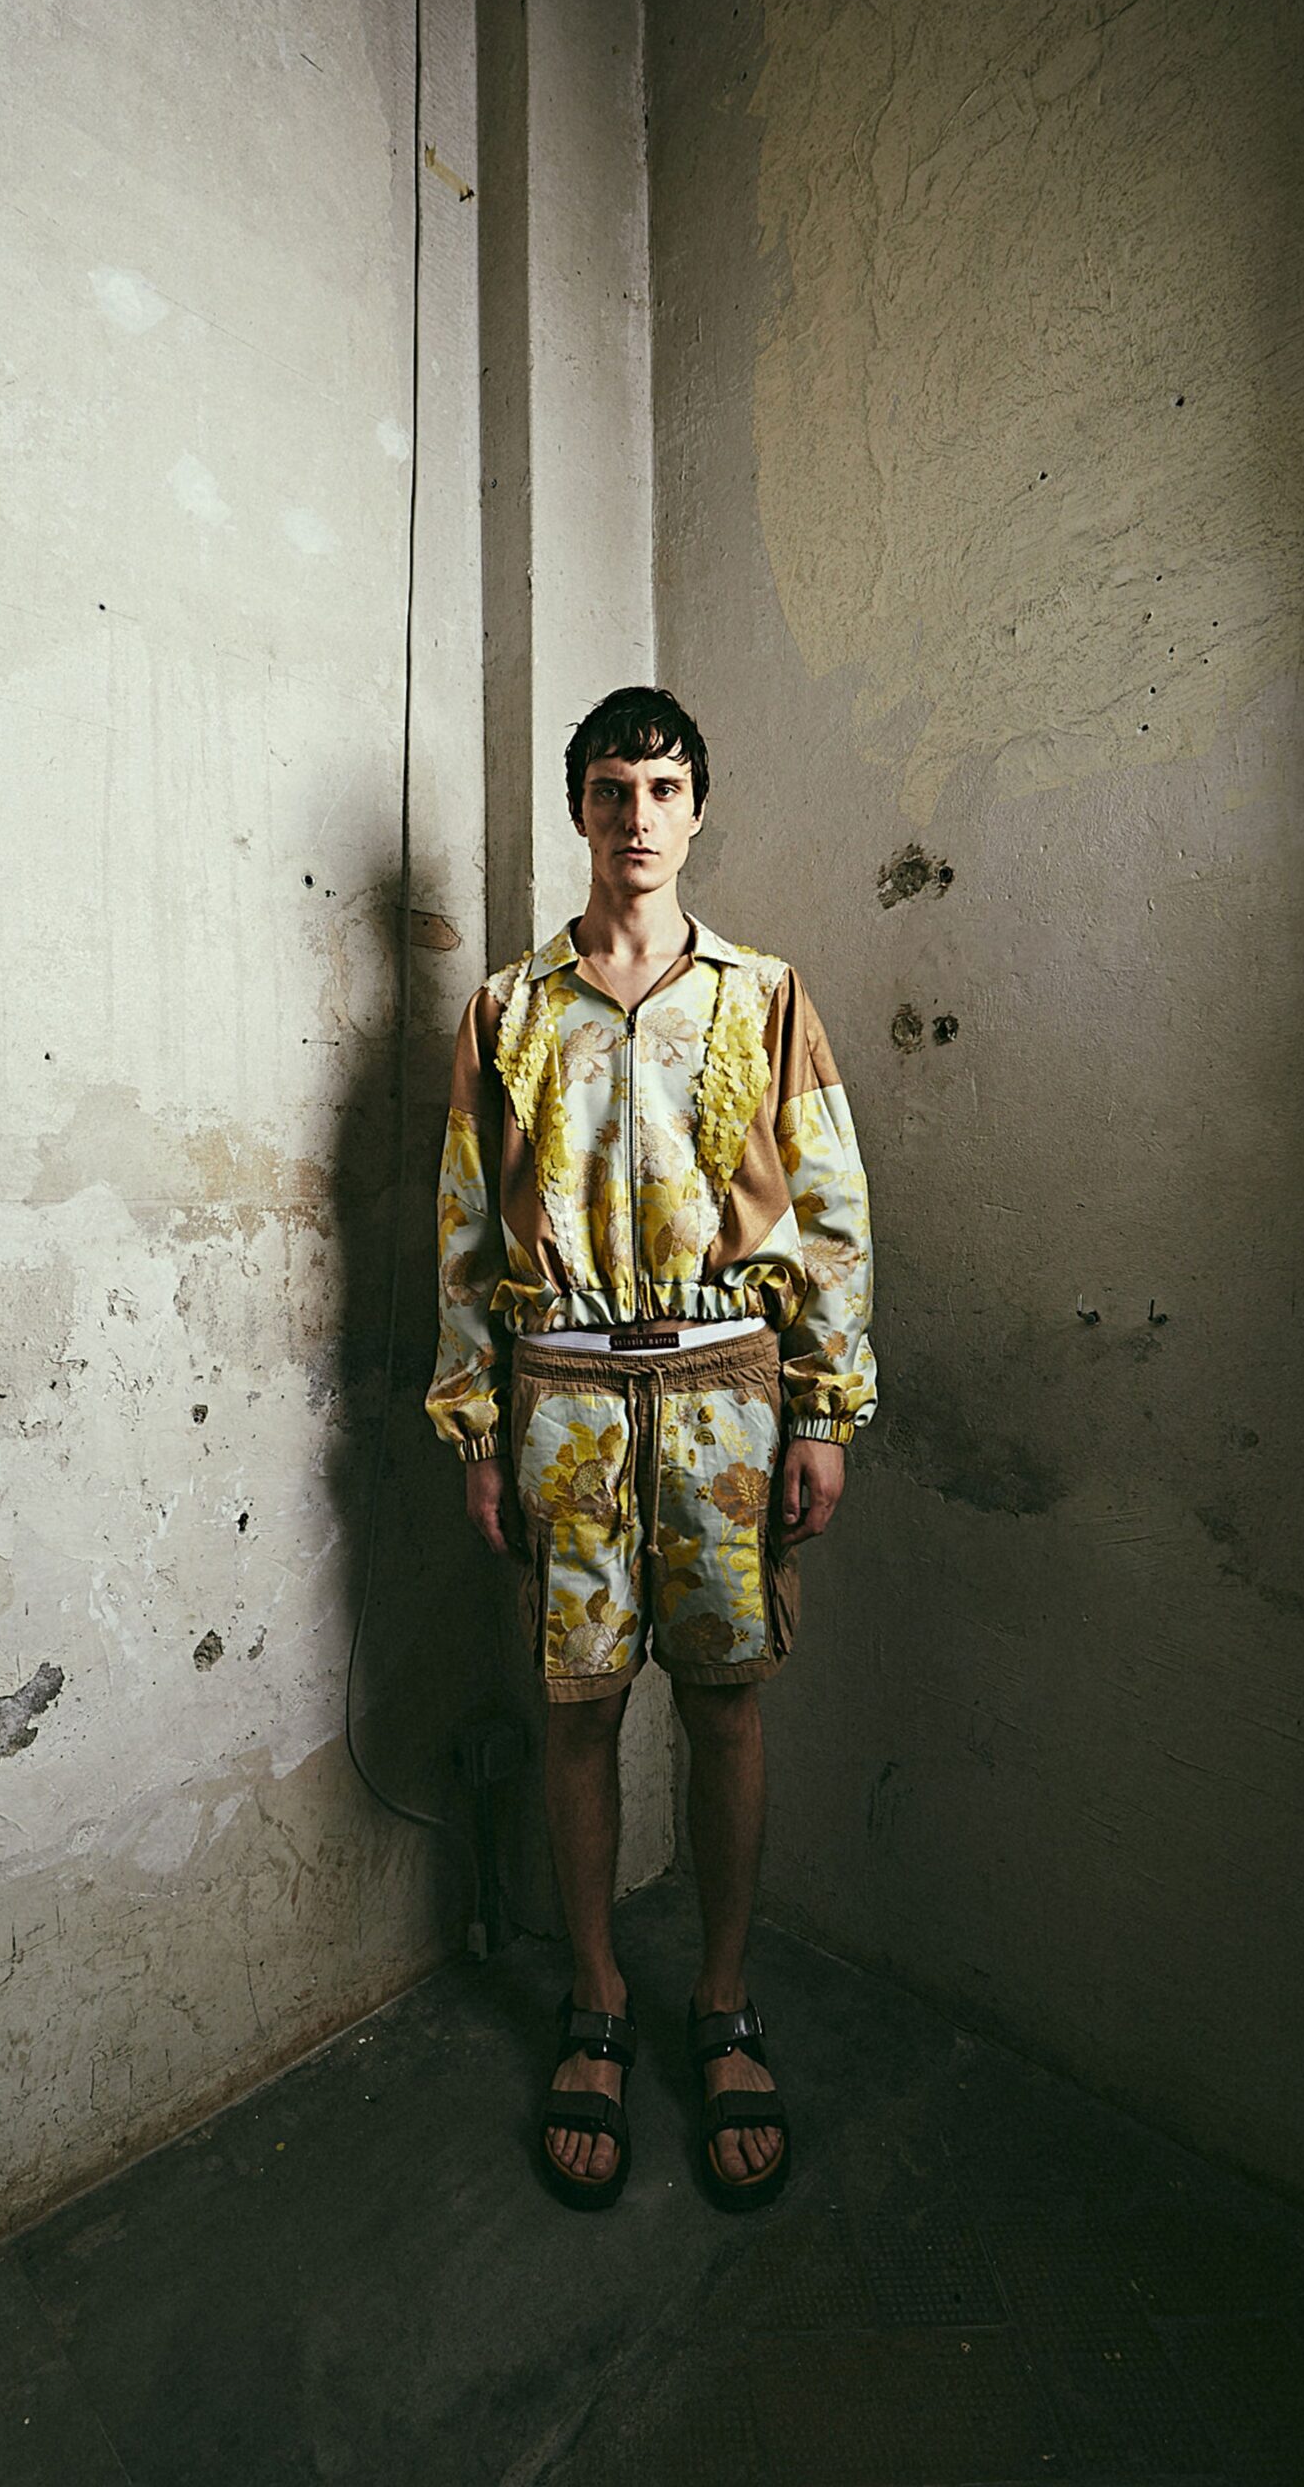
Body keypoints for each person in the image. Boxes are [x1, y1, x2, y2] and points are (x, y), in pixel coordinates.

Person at [425, 685, 877, 2210]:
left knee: (730, 1708)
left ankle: (726, 2003)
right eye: (611, 787)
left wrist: (824, 1407)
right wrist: (477, 1422)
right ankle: (599, 2002)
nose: (637, 816)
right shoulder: (509, 1011)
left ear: (696, 810)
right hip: (559, 1398)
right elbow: (465, 1237)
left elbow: (830, 1212)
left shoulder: (763, 994)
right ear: (578, 812)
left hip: (726, 1395)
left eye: (664, 787)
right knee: (574, 1711)